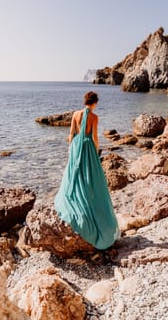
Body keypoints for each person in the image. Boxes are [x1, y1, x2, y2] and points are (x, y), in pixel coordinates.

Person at [54, 91, 120, 249]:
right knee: (90, 176)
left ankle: (76, 196)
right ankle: (88, 201)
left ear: (85, 101)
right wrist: (96, 151)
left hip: (76, 146)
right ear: (95, 102)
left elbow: (71, 134)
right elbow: (95, 137)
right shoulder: (94, 117)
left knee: (75, 174)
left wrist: (71, 151)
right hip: (88, 147)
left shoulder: (76, 114)